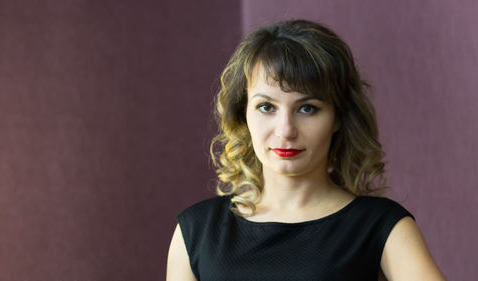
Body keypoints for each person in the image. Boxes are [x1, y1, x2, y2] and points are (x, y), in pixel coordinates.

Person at [166, 19, 446, 281]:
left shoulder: (382, 227)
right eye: (266, 107)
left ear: (337, 117)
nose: (285, 129)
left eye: (307, 108)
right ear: (244, 113)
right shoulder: (196, 232)